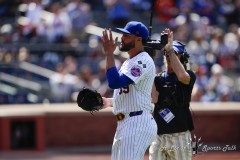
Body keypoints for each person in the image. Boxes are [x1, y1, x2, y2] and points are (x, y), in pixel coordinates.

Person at [101, 21, 158, 160]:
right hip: (125, 123)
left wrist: (109, 53)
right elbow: (127, 93)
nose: (122, 38)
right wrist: (108, 102)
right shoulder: (129, 62)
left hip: (137, 122)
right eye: (123, 34)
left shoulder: (143, 60)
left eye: (127, 35)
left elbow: (114, 82)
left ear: (139, 40)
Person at [149, 28, 196, 160]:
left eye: (176, 54)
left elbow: (182, 76)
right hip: (158, 136)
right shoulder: (158, 78)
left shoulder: (189, 76)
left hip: (180, 135)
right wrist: (148, 61)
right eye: (168, 54)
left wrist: (169, 49)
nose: (169, 57)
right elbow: (153, 98)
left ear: (183, 58)